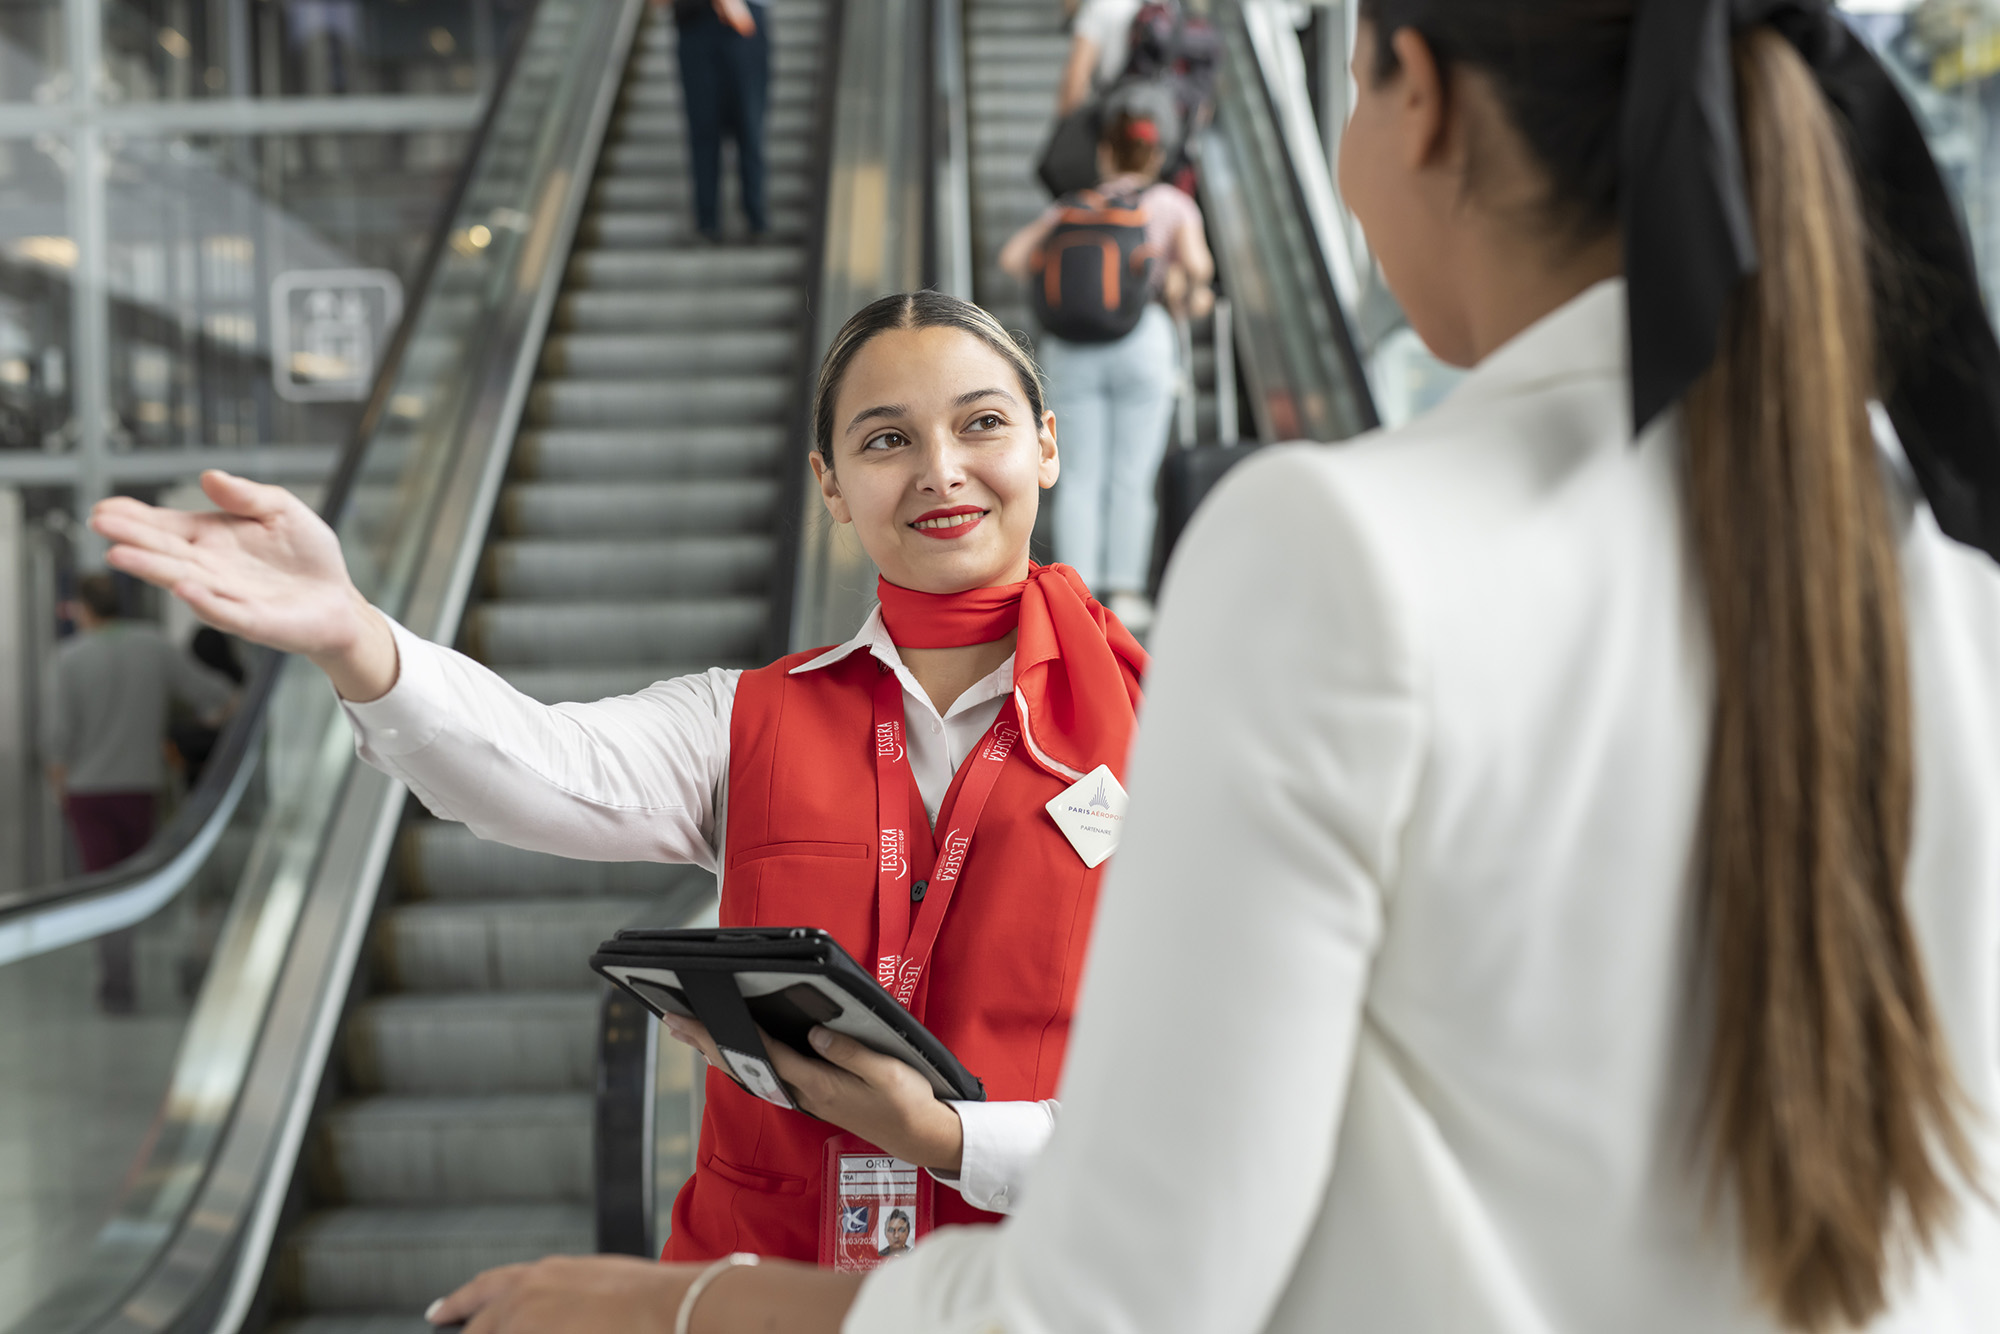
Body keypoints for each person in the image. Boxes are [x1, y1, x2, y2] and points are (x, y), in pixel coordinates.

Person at [412, 0, 2000, 1329]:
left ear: (1418, 96)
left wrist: (666, 1307)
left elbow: (1122, 1296)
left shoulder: (1327, 553)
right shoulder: (1924, 559)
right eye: (887, 438)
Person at [91, 291, 1147, 1267]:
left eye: (979, 425)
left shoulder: (1173, 724)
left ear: (1046, 444)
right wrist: (355, 639)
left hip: (1061, 1284)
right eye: (885, 439)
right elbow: (537, 765)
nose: (939, 470)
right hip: (757, 1286)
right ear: (828, 482)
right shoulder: (746, 718)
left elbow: (1219, 1106)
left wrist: (945, 1137)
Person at [1002, 111, 1213, 628]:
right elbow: (1200, 269)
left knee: (1077, 477)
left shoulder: (1072, 205)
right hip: (1142, 341)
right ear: (1157, 156)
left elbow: (1013, 258)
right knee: (1131, 474)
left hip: (1071, 349)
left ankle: (1076, 592)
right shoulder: (1171, 204)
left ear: (1104, 154)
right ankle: (1126, 590)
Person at [42, 571, 238, 1012]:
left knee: (100, 884)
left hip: (87, 791)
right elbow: (219, 697)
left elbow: (58, 737)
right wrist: (207, 730)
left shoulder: (68, 658)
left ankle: (116, 980)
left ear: (82, 609)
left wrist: (60, 790)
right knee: (134, 882)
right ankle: (131, 970)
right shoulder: (154, 646)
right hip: (140, 785)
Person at [659, 0, 770, 241]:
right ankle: (707, 222)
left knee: (750, 124)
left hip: (743, 15)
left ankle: (756, 216)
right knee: (702, 128)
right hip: (694, 19)